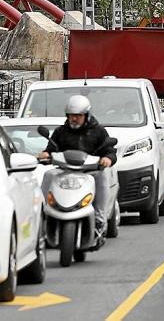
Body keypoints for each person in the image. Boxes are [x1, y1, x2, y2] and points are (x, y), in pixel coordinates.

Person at [38, 95, 117, 248]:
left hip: (90, 172)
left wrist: (107, 158)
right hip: (65, 171)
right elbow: (52, 148)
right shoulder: (61, 132)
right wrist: (46, 154)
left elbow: (110, 150)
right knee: (48, 174)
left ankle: (100, 219)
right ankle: (43, 214)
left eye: (78, 116)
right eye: (71, 116)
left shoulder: (98, 131)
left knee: (102, 176)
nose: (74, 119)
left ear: (86, 116)